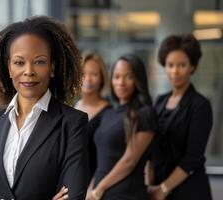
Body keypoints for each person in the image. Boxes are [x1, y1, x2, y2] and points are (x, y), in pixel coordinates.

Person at [0, 16, 90, 200]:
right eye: (19, 62)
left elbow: (73, 196)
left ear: (52, 67)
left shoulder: (72, 123)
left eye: (39, 61)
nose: (28, 71)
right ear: (9, 68)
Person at [148, 34, 213, 200]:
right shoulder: (159, 101)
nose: (175, 71)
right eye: (170, 65)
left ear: (192, 66)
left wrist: (162, 189)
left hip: (188, 191)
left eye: (181, 65)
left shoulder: (200, 105)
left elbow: (193, 158)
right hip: (157, 188)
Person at [90, 54, 157, 200]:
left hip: (126, 194)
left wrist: (98, 189)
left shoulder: (145, 113)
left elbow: (129, 161)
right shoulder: (108, 113)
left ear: (138, 80)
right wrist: (92, 188)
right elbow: (101, 159)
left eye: (129, 77)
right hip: (100, 193)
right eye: (116, 76)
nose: (121, 82)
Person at [74, 53, 111, 199]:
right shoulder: (73, 108)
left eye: (94, 74)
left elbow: (107, 158)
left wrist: (94, 189)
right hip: (71, 184)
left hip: (94, 188)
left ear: (102, 78)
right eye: (83, 74)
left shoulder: (109, 113)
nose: (88, 79)